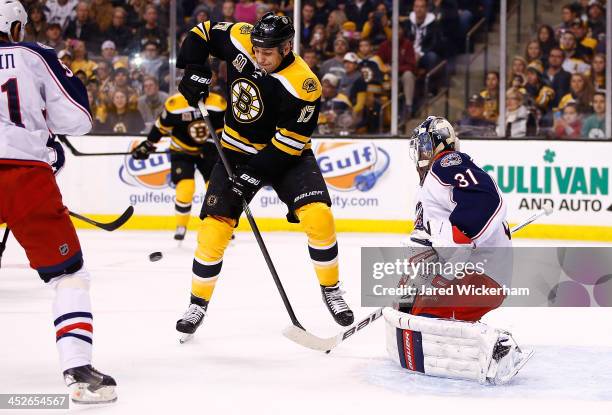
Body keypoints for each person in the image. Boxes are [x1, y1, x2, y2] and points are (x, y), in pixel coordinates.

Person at [174, 12, 355, 339]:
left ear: (287, 47)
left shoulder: (304, 83)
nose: (259, 57)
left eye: (267, 52)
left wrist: (254, 174)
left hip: (287, 155)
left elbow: (289, 143)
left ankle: (331, 289)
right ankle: (197, 303)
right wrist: (195, 69)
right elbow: (201, 32)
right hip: (235, 150)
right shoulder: (242, 37)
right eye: (256, 50)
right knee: (214, 230)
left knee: (320, 218)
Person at [0, 0, 116, 403]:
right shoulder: (34, 54)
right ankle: (78, 370)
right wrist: (41, 125)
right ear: (15, 27)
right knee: (69, 276)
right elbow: (77, 119)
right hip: (24, 176)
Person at [385, 116, 530, 384]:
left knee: (422, 320)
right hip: (472, 274)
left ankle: (498, 348)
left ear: (441, 145)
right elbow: (428, 244)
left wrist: (461, 238)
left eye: (426, 147)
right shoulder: (429, 186)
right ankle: (478, 342)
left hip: (481, 276)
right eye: (420, 148)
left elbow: (486, 198)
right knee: (411, 315)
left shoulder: (448, 162)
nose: (422, 154)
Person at [132, 91, 226, 240]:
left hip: (208, 151)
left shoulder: (218, 103)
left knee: (214, 188)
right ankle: (181, 225)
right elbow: (161, 127)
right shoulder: (175, 104)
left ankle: (219, 226)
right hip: (182, 151)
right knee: (186, 188)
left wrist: (213, 145)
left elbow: (223, 130)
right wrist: (148, 144)